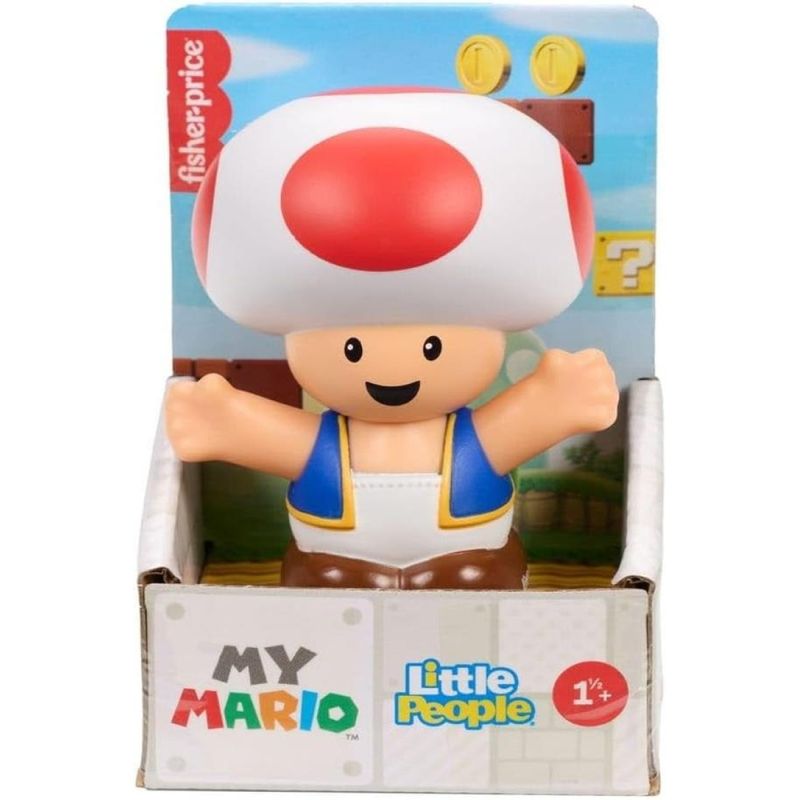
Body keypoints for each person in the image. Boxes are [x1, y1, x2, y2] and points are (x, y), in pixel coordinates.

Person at [166, 89, 618, 590]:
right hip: (334, 567)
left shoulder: (472, 443)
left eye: (432, 348)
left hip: (468, 563)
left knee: (473, 581)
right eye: (352, 350)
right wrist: (224, 421)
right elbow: (268, 437)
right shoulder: (327, 446)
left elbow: (529, 420)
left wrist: (558, 400)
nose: (392, 371)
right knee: (326, 586)